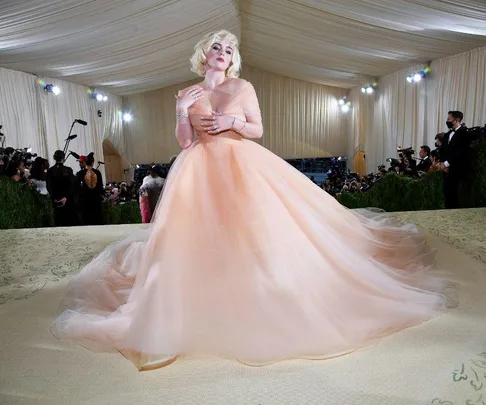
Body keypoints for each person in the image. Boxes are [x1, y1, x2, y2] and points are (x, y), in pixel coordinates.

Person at [51, 30, 456, 371]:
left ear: (233, 58)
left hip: (240, 162)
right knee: (197, 235)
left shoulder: (241, 87)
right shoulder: (186, 92)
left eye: (229, 50)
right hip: (197, 168)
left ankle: (263, 289)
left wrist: (233, 122)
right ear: (203, 55)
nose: (222, 54)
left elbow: (258, 129)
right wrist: (179, 111)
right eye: (217, 48)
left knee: (252, 228)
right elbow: (185, 141)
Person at [439, 111, 471, 209]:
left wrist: (447, 164)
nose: (447, 121)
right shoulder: (448, 134)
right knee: (447, 194)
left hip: (457, 169)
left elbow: (461, 152)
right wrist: (442, 163)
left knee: (455, 196)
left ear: (456, 120)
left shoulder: (464, 133)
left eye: (449, 119)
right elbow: (443, 150)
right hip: (446, 169)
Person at [46, 150, 78, 227]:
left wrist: (54, 198)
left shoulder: (50, 171)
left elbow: (49, 186)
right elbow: (72, 186)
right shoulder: (69, 170)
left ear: (54, 158)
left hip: (56, 200)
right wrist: (65, 197)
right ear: (63, 158)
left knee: (58, 222)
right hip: (68, 201)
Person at [75, 153, 104, 225]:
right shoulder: (97, 173)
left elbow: (76, 187)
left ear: (86, 162)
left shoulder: (80, 173)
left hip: (85, 201)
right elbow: (100, 187)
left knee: (87, 221)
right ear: (93, 163)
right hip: (96, 200)